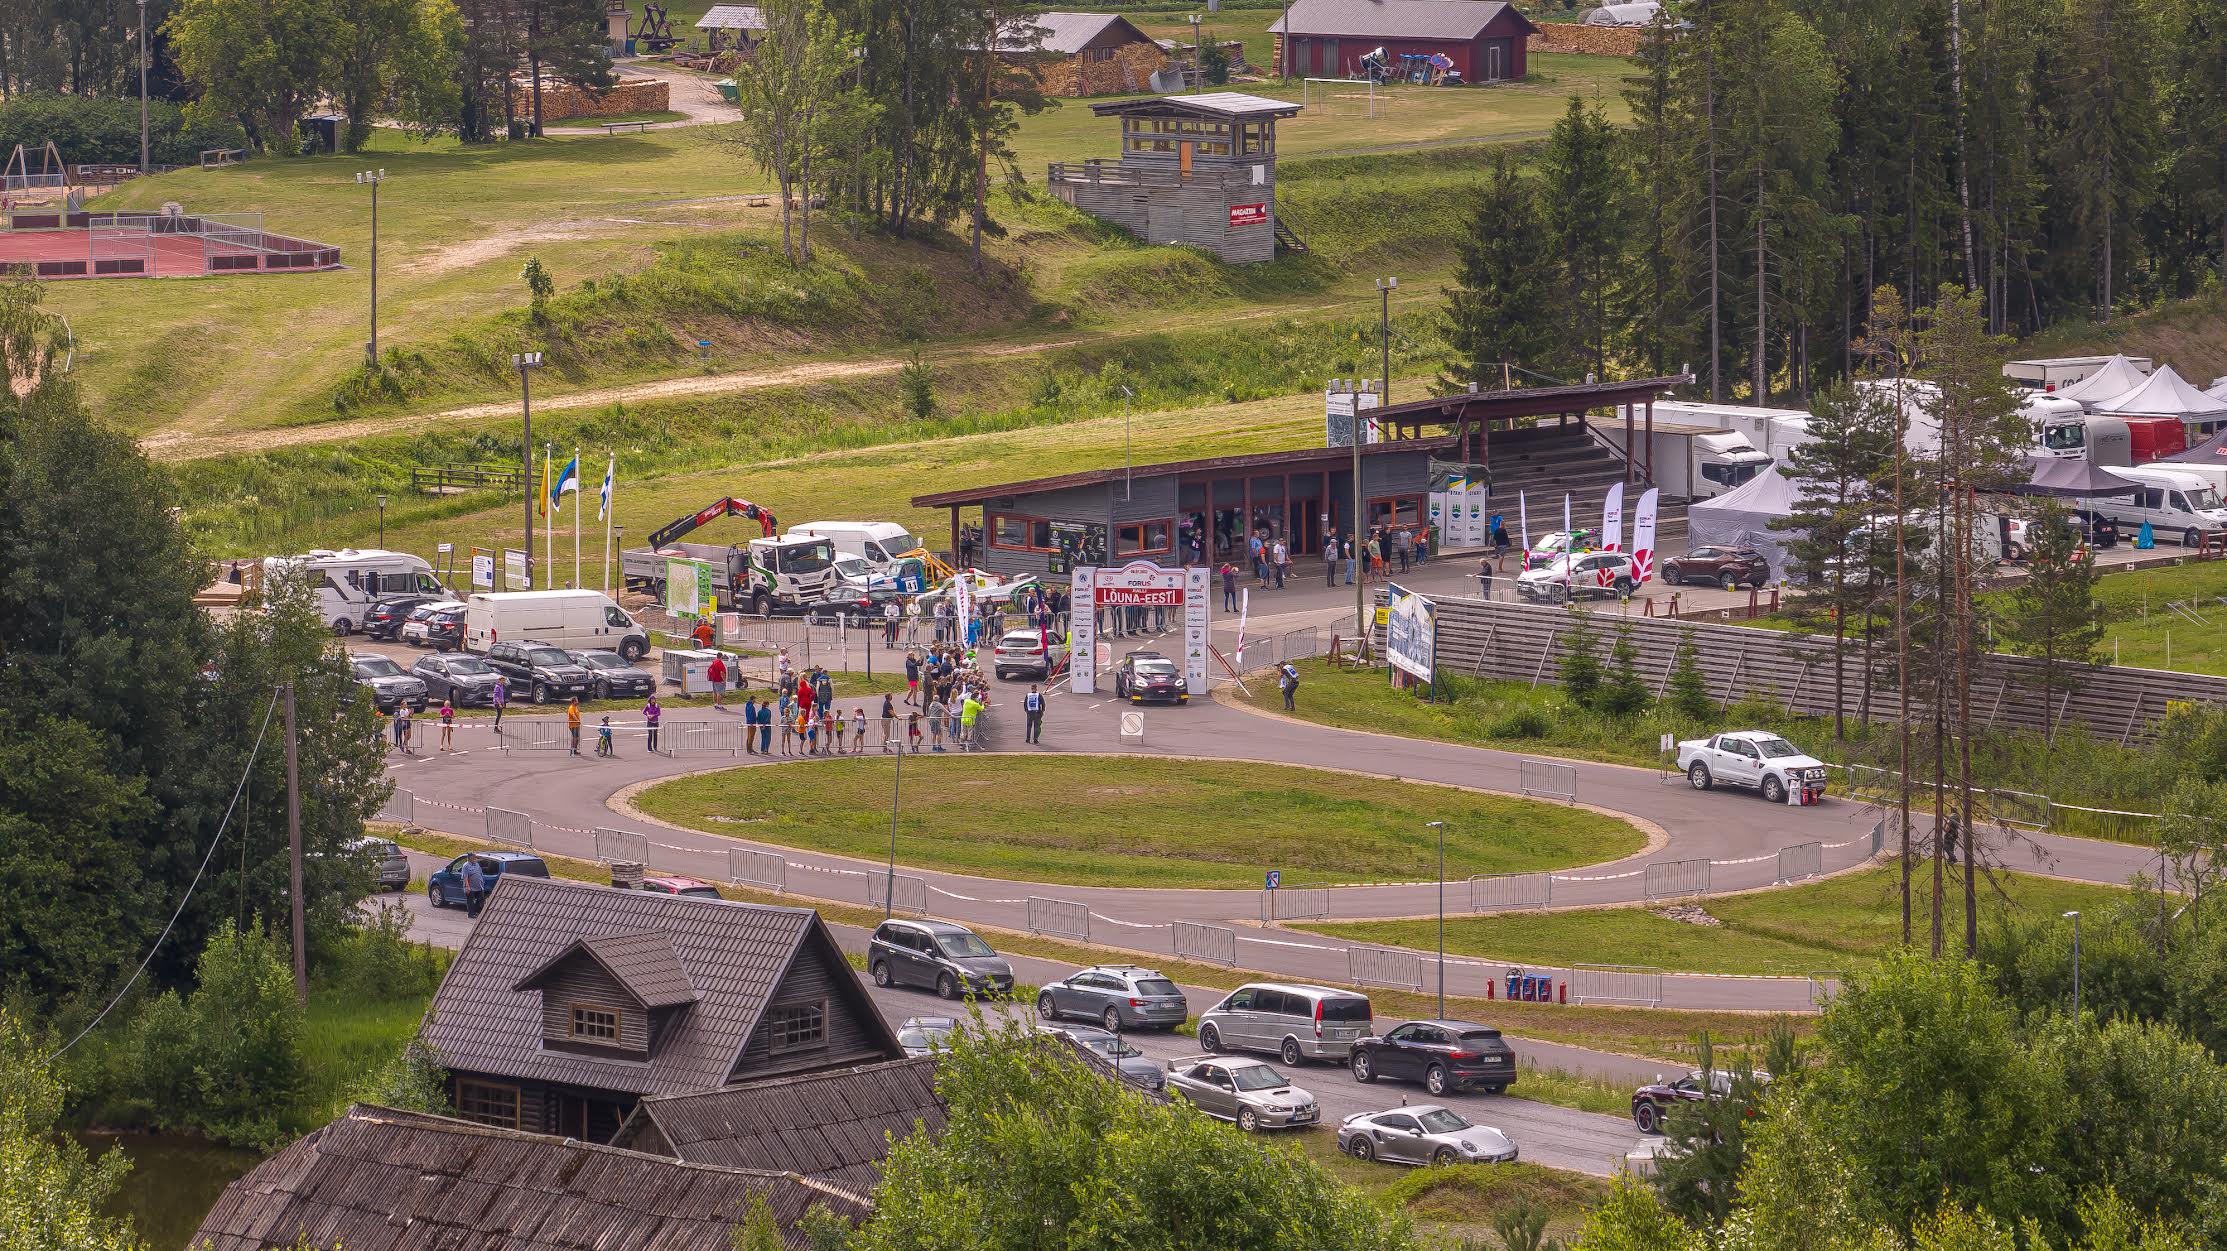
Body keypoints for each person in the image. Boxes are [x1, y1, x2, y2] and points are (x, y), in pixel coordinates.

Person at [462, 855, 488, 919]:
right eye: (474, 858)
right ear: (471, 859)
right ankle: (471, 914)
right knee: (470, 901)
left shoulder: (477, 865)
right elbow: (465, 877)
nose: (476, 859)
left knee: (480, 899)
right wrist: (467, 887)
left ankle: (476, 912)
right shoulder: (466, 866)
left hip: (479, 886)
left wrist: (482, 881)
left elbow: (480, 873)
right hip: (471, 887)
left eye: (476, 858)